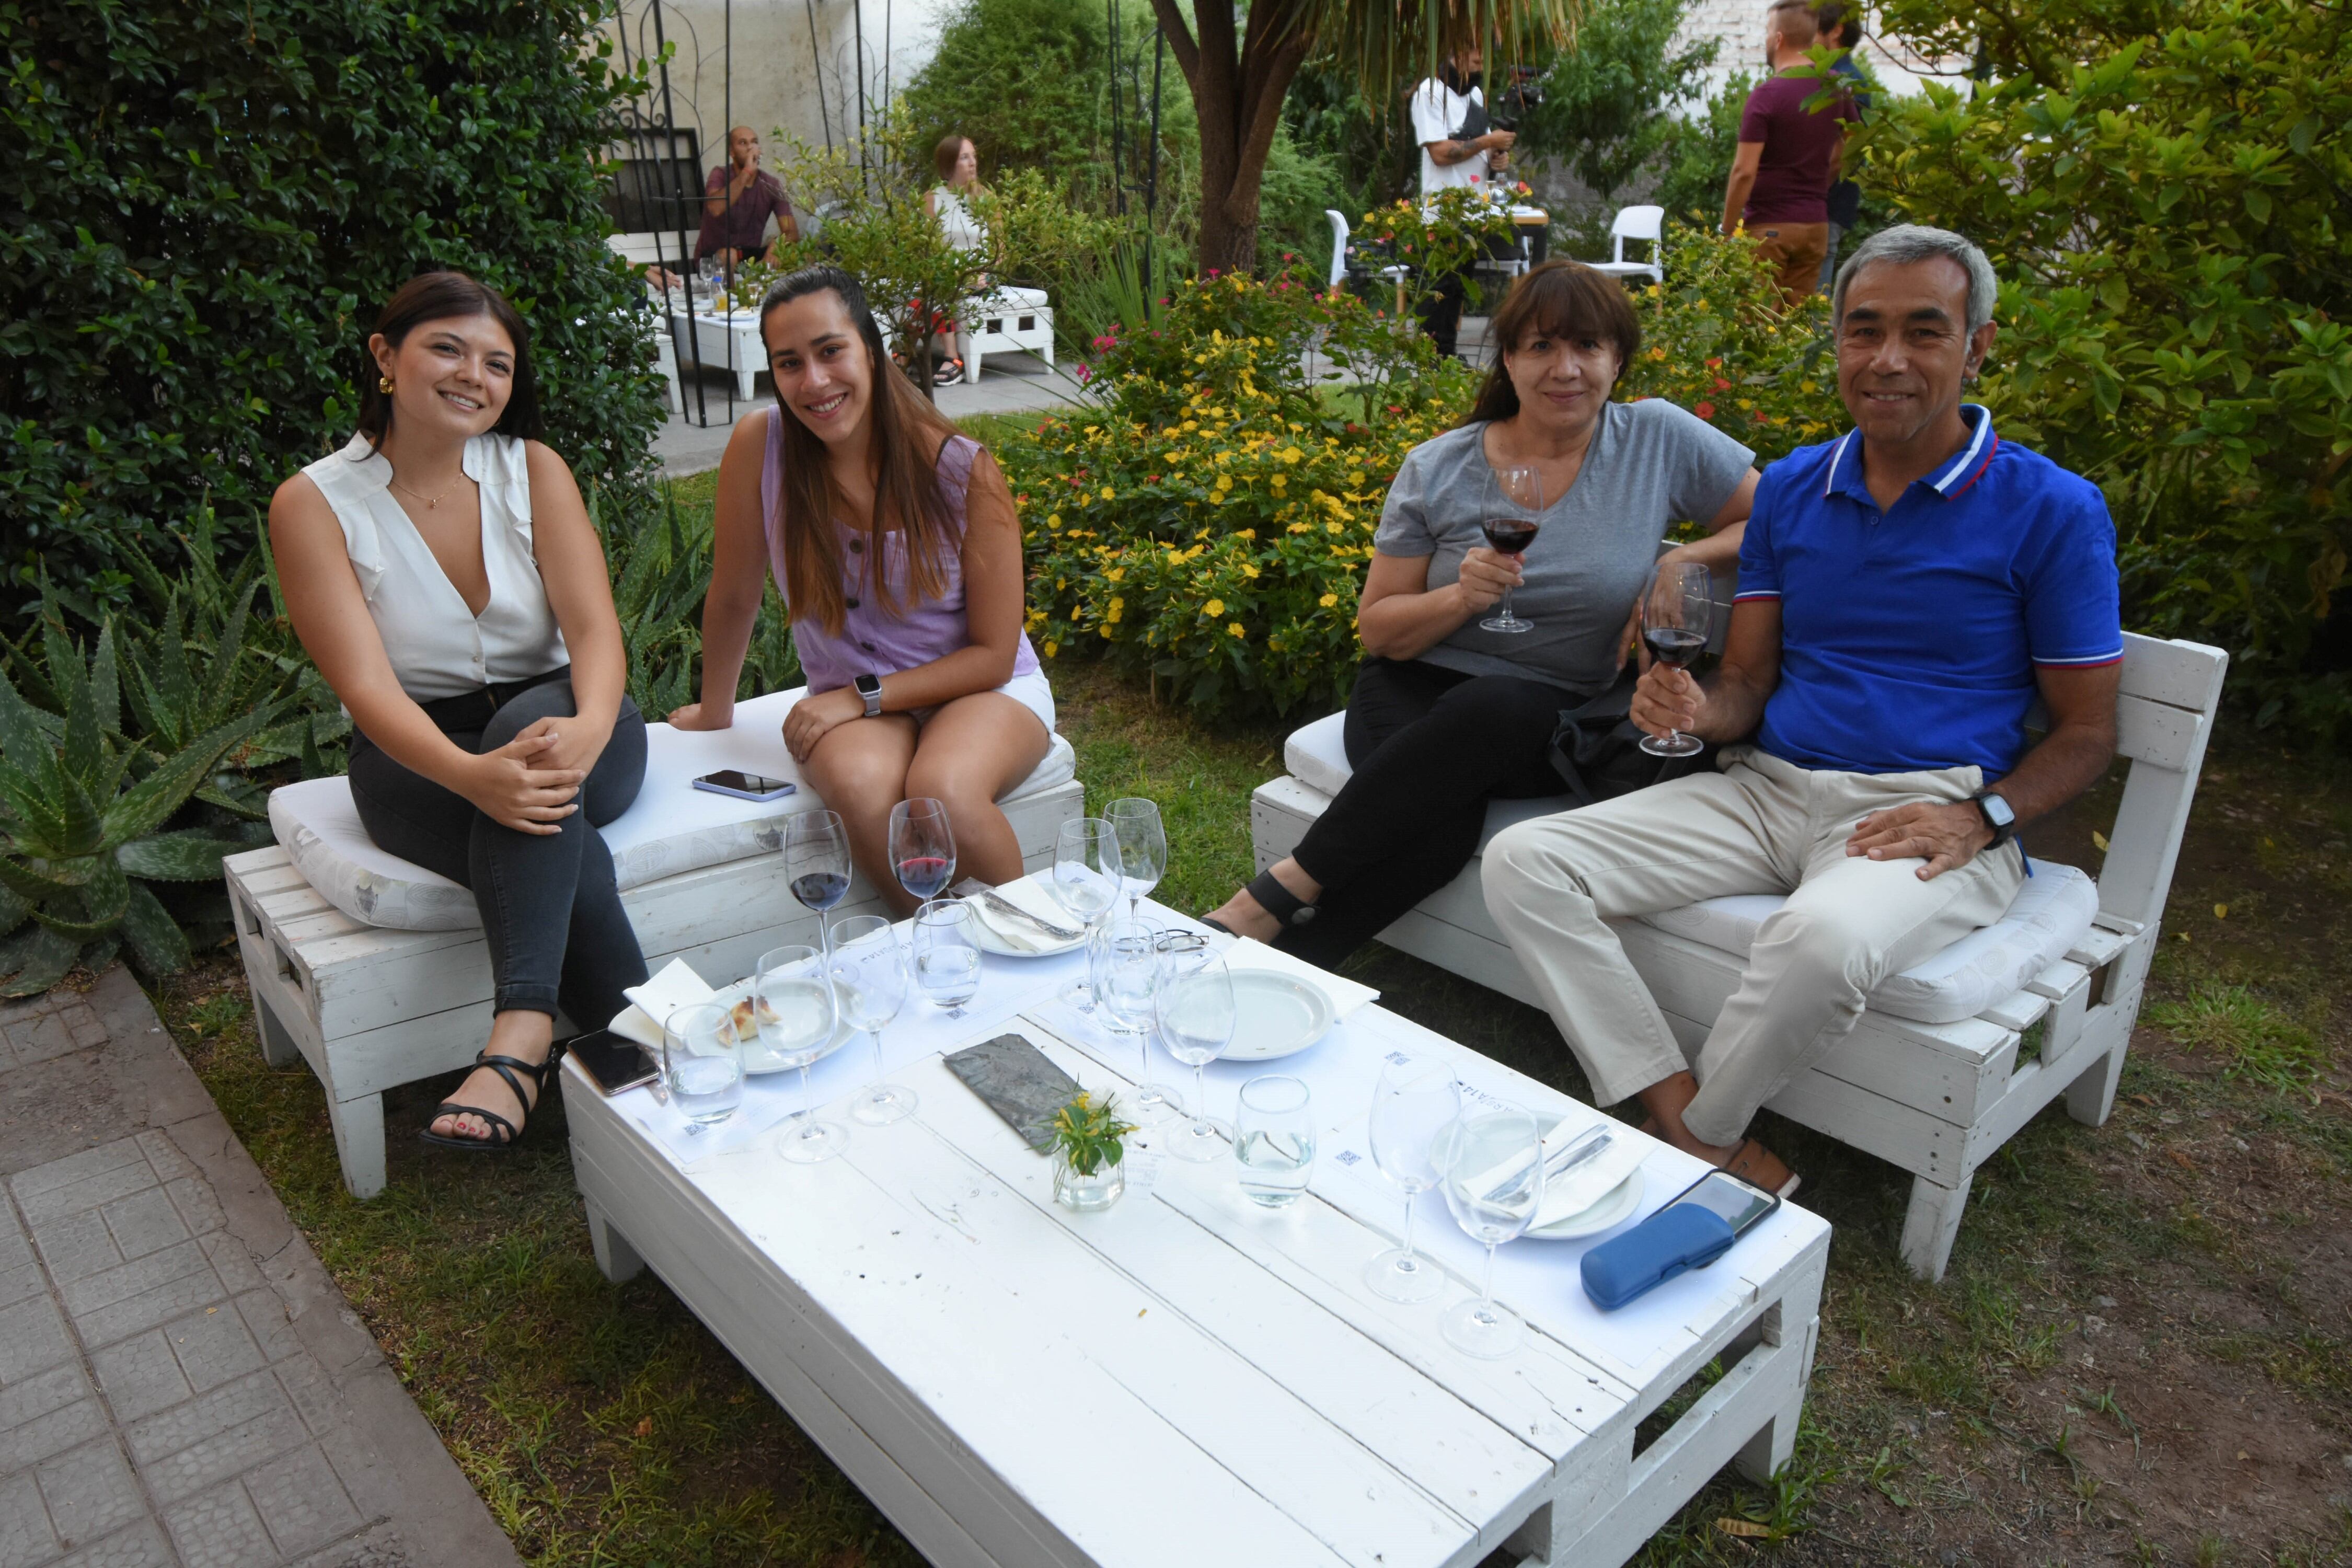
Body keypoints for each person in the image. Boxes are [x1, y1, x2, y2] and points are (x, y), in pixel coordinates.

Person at [1481, 226, 2125, 1196]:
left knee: (1820, 941)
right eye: (1864, 331)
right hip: (1767, 789)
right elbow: (1746, 689)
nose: (1890, 360)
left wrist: (1983, 817)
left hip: (1922, 810)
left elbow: (2088, 732)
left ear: (1977, 347)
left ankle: (1702, 1135)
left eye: (1924, 331)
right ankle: (1684, 1125)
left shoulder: (2054, 510)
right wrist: (1694, 709)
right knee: (1528, 860)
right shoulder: (1791, 490)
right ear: (1836, 344)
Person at [1200, 261, 1761, 965]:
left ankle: (1263, 904)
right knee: (1439, 832)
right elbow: (1379, 629)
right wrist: (1460, 598)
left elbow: (1769, 519)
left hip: (1553, 723)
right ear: (1509, 360)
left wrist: (1679, 561)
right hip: (1411, 697)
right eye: (1541, 347)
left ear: (1618, 360)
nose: (1567, 369)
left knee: (1507, 708)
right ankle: (1258, 966)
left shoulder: (1656, 439)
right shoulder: (1440, 467)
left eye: (1587, 347)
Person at [269, 272, 648, 1151]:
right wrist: (473, 779)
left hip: (573, 718)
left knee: (541, 761)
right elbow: (366, 689)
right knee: (566, 843)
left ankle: (517, 1040)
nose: (474, 375)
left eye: (498, 363)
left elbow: (594, 629)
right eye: (447, 348)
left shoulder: (533, 470)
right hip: (418, 758)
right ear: (385, 357)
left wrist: (591, 728)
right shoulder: (315, 503)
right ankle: (642, 1062)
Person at [670, 264, 1053, 914]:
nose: (813, 382)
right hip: (858, 707)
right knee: (859, 782)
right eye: (789, 363)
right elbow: (735, 594)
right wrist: (715, 711)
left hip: (982, 689)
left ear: (871, 349)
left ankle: (1042, 955)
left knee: (944, 790)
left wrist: (861, 697)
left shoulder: (961, 469)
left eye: (830, 351)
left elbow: (991, 653)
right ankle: (934, 950)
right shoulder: (759, 447)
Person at [1721, 0, 1858, 305]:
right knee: (1795, 328)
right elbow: (1853, 144)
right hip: (1815, 226)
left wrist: (1727, 230)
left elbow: (1744, 171)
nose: (1767, 39)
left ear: (1779, 38)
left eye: (1768, 31)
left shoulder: (1766, 96)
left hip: (1769, 227)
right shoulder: (1836, 85)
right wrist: (1822, 183)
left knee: (1758, 325)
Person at [1410, 45, 1519, 359]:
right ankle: (1430, 362)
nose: (1480, 56)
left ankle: (1447, 359)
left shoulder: (1475, 97)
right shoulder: (1430, 93)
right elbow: (1441, 154)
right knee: (1437, 294)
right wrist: (1489, 141)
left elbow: (1479, 152)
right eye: (1473, 50)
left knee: (1456, 291)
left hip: (1472, 213)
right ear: (1453, 52)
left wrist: (1496, 158)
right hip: (1443, 214)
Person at [1812, 1, 1874, 292]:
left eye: (1814, 27)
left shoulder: (1846, 81)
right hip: (1824, 203)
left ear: (1835, 31)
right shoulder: (1833, 76)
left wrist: (1810, 195)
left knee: (1812, 300)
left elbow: (1844, 152)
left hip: (1826, 203)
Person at [924, 134, 989, 376]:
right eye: (965, 157)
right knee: (929, 286)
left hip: (982, 276)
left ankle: (952, 359)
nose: (973, 163)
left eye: (974, 156)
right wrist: (948, 269)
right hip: (946, 273)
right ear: (949, 164)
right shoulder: (933, 198)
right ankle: (908, 353)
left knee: (940, 288)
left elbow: (1001, 247)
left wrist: (983, 273)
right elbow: (928, 246)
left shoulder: (986, 198)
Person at [697, 125, 799, 270]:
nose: (750, 147)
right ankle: (732, 293)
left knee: (804, 255)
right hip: (715, 257)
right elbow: (715, 208)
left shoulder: (771, 184)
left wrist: (776, 245)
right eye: (743, 143)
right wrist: (747, 172)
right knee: (730, 256)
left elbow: (792, 232)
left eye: (754, 142)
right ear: (732, 152)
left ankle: (769, 289)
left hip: (750, 256)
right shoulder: (719, 174)